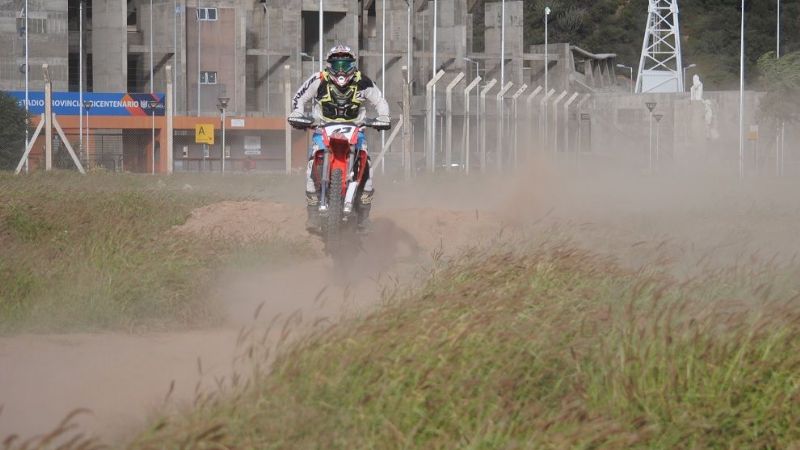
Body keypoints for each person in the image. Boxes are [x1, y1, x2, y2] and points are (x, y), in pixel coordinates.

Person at [288, 44, 391, 234]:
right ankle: (312, 213)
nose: (341, 69)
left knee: (367, 170)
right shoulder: (319, 79)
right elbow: (299, 97)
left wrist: (383, 117)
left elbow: (380, 100)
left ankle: (364, 217)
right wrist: (297, 112)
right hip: (322, 129)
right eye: (337, 64)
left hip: (356, 131)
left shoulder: (362, 81)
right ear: (329, 65)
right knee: (311, 166)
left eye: (346, 63)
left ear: (353, 64)